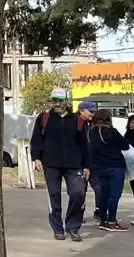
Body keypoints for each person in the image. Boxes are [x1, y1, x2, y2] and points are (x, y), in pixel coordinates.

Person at [30, 89, 92, 242]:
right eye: (54, 100)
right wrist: (36, 157)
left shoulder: (77, 120)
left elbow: (84, 144)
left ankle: (73, 226)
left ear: (67, 101)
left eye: (60, 100)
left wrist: (87, 165)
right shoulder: (44, 117)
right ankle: (58, 229)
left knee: (78, 193)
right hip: (51, 164)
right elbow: (36, 138)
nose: (57, 104)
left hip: (74, 164)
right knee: (54, 195)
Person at [88, 109, 129, 232]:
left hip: (100, 167)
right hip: (115, 166)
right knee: (114, 195)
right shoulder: (112, 132)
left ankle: (103, 220)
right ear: (109, 119)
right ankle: (112, 221)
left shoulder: (91, 132)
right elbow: (125, 145)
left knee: (104, 195)